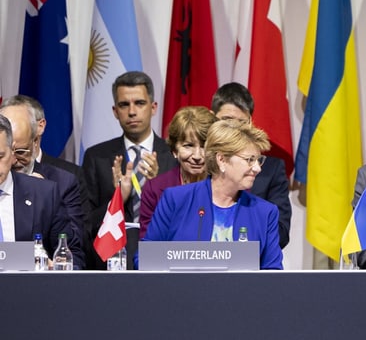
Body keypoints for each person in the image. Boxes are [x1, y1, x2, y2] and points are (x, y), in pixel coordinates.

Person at [142, 120, 283, 270]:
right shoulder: (175, 200)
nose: (257, 168)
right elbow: (146, 260)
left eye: (258, 160)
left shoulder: (265, 213)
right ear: (221, 160)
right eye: (250, 160)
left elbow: (272, 274)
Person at [82, 71, 177, 269]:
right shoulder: (96, 157)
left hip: (163, 256)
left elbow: (184, 213)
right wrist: (118, 198)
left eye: (140, 103)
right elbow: (86, 221)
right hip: (113, 257)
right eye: (124, 105)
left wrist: (155, 184)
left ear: (153, 107)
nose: (132, 112)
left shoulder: (174, 154)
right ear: (115, 111)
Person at [0, 99, 85, 268]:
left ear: (12, 152)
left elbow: (73, 257)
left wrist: (58, 267)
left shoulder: (43, 193)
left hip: (29, 291)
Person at [211, 82, 291, 248]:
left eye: (241, 122)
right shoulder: (198, 163)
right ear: (212, 117)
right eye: (226, 120)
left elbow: (281, 233)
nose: (233, 129)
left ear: (250, 123)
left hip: (252, 264)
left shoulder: (270, 169)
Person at [139, 106, 215, 238]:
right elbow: (148, 250)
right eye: (188, 146)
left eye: (204, 146)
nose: (197, 156)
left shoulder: (230, 188)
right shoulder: (155, 189)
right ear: (174, 150)